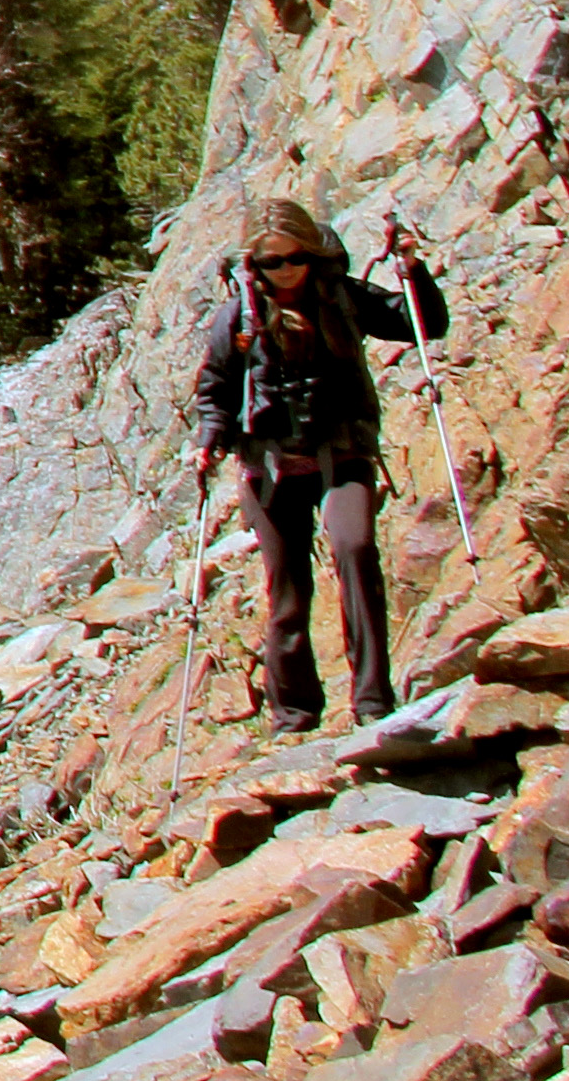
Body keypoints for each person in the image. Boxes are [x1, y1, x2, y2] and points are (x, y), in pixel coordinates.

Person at [186, 195, 450, 731]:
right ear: (251, 265)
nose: (284, 271)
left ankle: (374, 702)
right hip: (270, 466)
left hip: (342, 451)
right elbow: (215, 387)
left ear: (310, 252)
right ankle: (295, 714)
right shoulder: (238, 315)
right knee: (289, 590)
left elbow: (420, 325)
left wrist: (415, 273)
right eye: (269, 263)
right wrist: (210, 440)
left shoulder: (343, 297)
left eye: (293, 258)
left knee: (356, 552)